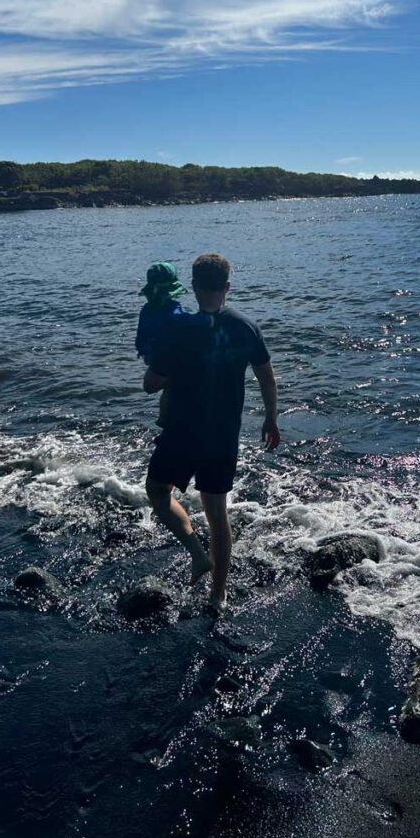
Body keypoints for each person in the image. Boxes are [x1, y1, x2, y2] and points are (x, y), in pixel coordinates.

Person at [143, 253, 280, 613]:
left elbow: (151, 384)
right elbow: (266, 376)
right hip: (223, 434)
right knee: (217, 513)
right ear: (227, 287)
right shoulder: (246, 325)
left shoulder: (179, 330)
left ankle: (196, 553)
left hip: (182, 430)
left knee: (158, 490)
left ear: (193, 287)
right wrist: (270, 419)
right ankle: (218, 596)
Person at [135, 261, 208, 426]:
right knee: (172, 386)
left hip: (149, 354)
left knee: (169, 388)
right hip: (164, 356)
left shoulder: (147, 309)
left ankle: (163, 418)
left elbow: (141, 335)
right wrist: (206, 319)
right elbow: (182, 321)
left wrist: (143, 351)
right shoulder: (172, 307)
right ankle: (165, 417)